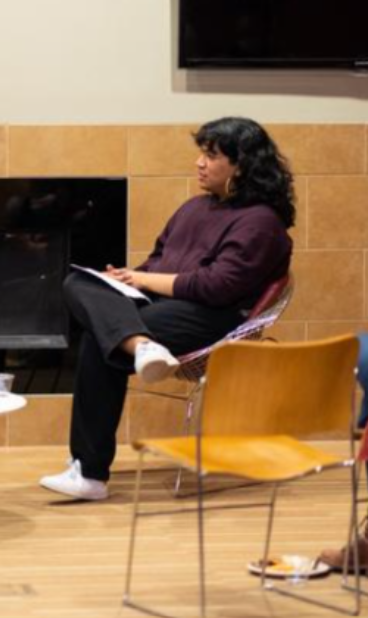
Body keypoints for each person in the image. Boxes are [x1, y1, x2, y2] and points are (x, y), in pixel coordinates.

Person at [39, 117, 294, 501]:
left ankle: (89, 474)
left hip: (213, 317)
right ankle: (141, 345)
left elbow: (217, 286)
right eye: (201, 154)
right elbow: (158, 264)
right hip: (162, 305)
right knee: (79, 282)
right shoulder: (194, 208)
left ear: (241, 165)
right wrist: (126, 279)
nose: (199, 163)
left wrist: (142, 282)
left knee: (100, 336)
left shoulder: (261, 223)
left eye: (211, 155)